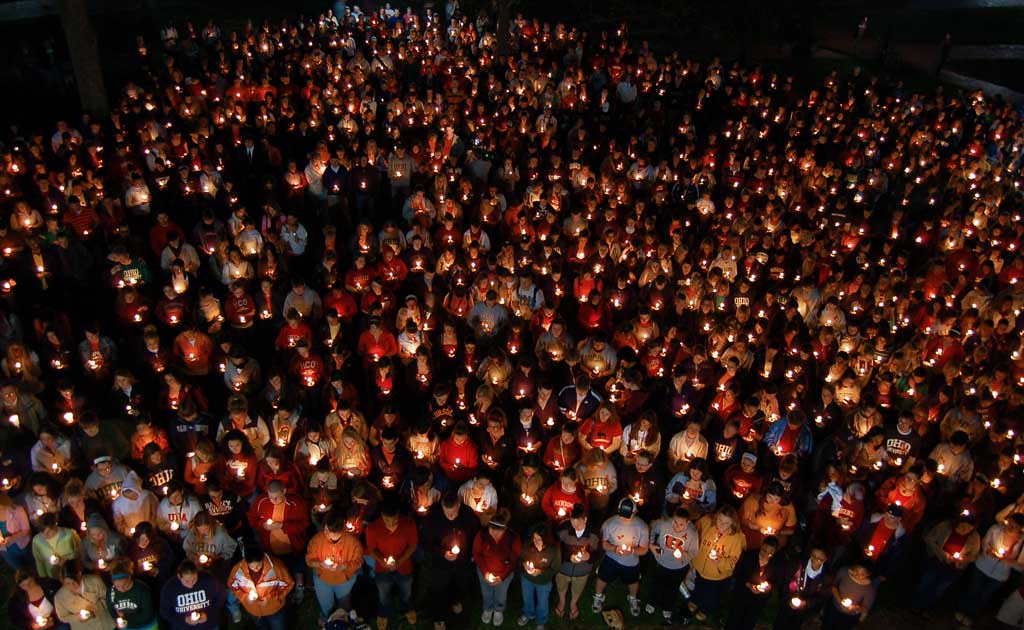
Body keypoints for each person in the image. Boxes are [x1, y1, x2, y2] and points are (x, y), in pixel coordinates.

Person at [419, 491, 479, 630]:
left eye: (453, 513)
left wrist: (472, 554)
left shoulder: (467, 515)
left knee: (460, 583)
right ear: (442, 506)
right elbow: (426, 543)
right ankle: (439, 618)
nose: (450, 516)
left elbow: (475, 535)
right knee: (439, 588)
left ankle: (456, 600)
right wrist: (442, 553)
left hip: (462, 561)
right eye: (447, 513)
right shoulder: (433, 517)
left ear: (458, 505)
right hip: (441, 562)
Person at [364, 499, 418, 629]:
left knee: (406, 591)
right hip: (382, 569)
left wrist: (400, 561)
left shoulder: (409, 524)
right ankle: (383, 613)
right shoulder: (372, 528)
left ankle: (407, 608)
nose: (391, 524)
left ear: (398, 515)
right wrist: (382, 561)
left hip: (404, 567)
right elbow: (371, 549)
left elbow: (412, 546)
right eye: (387, 521)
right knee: (383, 594)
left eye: (394, 521)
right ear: (382, 516)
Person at [687, 506, 745, 622]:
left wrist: (720, 560)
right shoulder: (706, 522)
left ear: (733, 523)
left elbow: (735, 561)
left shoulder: (738, 538)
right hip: (700, 567)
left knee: (711, 593)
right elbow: (693, 532)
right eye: (719, 520)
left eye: (726, 523)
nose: (721, 525)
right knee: (698, 585)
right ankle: (695, 600)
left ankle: (705, 609)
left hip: (717, 574)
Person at [592, 497, 648, 617]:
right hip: (612, 558)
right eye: (622, 515)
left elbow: (644, 549)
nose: (624, 518)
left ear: (635, 512)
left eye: (628, 516)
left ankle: (632, 598)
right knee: (602, 576)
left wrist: (632, 550)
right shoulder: (609, 523)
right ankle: (598, 596)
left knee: (633, 581)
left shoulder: (642, 527)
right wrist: (614, 549)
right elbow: (604, 543)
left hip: (631, 562)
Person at [306, 512, 364, 624]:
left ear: (340, 531)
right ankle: (327, 620)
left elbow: (359, 561)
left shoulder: (352, 542)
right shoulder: (317, 540)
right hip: (322, 579)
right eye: (325, 529)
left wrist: (344, 566)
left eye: (329, 531)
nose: (326, 533)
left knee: (344, 604)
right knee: (326, 605)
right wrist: (320, 564)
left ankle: (346, 623)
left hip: (344, 580)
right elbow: (309, 559)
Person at [649, 506, 698, 623]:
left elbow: (694, 552)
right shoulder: (664, 524)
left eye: (681, 524)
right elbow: (652, 528)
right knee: (657, 584)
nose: (677, 526)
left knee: (672, 588)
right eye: (675, 522)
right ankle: (652, 602)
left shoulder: (692, 533)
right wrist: (651, 545)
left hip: (678, 567)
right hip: (662, 562)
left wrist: (683, 555)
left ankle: (667, 607)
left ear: (687, 523)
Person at [473, 509, 521, 626]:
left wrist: (503, 576)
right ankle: (488, 608)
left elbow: (514, 559)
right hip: (485, 571)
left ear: (504, 529)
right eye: (492, 530)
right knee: (486, 592)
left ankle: (498, 610)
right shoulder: (482, 535)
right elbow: (477, 553)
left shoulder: (512, 538)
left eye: (498, 532)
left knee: (501, 593)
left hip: (504, 573)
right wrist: (485, 572)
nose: (494, 534)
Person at [228, 545, 294, 630]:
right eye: (251, 567)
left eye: (258, 566)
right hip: (253, 611)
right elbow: (233, 587)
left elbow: (288, 584)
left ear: (262, 559)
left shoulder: (276, 568)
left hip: (274, 610)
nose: (255, 569)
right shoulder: (237, 571)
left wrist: (271, 598)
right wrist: (244, 598)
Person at [724, 536, 782, 630]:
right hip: (742, 594)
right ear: (761, 546)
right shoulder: (748, 555)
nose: (766, 555)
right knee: (734, 619)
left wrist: (769, 586)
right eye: (764, 551)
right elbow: (737, 573)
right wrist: (749, 584)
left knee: (749, 621)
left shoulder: (777, 562)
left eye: (770, 553)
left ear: (775, 551)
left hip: (759, 599)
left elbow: (777, 580)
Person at [158, 560, 226, 630]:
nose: (191, 584)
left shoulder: (208, 580)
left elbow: (221, 597)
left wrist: (208, 614)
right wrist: (184, 619)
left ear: (197, 573)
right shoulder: (169, 588)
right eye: (186, 581)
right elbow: (165, 612)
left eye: (194, 579)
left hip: (209, 626)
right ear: (179, 576)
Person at [517, 522, 558, 630]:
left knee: (542, 603)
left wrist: (541, 572)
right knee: (527, 598)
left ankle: (541, 621)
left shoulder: (553, 550)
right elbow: (521, 558)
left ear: (546, 539)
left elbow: (556, 568)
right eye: (534, 538)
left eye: (539, 539)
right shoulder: (528, 545)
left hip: (544, 582)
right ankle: (528, 613)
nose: (535, 542)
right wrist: (524, 564)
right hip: (527, 579)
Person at [54, 559, 113, 630]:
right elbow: (63, 617)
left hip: (105, 624)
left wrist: (95, 608)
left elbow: (108, 599)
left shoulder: (94, 581)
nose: (72, 586)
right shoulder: (60, 596)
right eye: (67, 584)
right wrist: (78, 616)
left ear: (79, 574)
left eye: (74, 582)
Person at [107, 558, 157, 630]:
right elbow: (112, 611)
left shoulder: (142, 590)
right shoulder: (110, 592)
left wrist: (125, 618)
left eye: (126, 585)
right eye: (117, 586)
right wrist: (118, 619)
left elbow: (147, 614)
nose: (122, 589)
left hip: (146, 626)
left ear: (130, 577)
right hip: (126, 627)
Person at [824, 565, 876, 630]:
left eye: (862, 574)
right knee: (826, 625)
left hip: (849, 616)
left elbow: (865, 608)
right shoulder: (844, 572)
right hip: (834, 607)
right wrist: (840, 601)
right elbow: (834, 586)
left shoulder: (869, 589)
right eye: (856, 571)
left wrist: (855, 608)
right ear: (852, 568)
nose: (857, 575)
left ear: (867, 574)